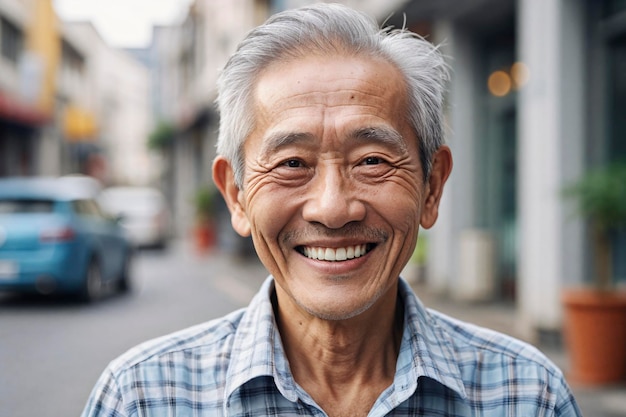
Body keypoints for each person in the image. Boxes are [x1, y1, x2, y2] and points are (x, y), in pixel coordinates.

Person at [81, 3, 582, 416]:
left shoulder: (526, 395)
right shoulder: (142, 397)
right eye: (292, 162)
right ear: (236, 194)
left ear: (432, 187)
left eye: (371, 160)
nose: (332, 208)